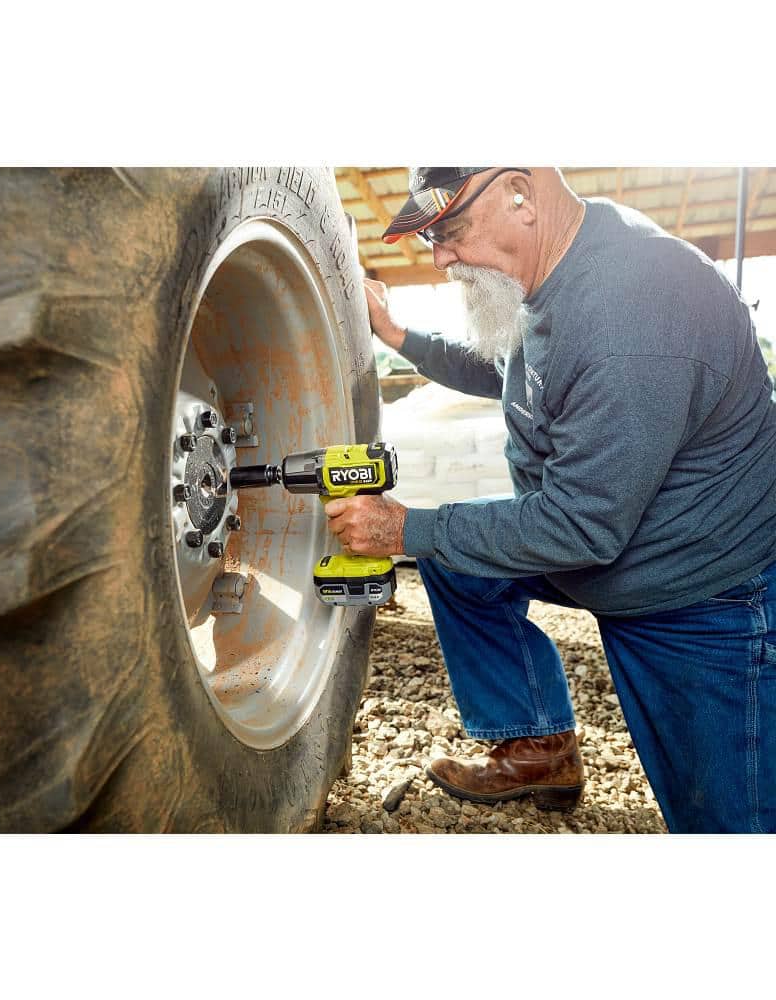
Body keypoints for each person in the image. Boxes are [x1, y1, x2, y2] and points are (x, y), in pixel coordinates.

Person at [325, 166, 776, 833]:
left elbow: (580, 527)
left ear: (520, 193)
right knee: (458, 561)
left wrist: (402, 530)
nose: (441, 258)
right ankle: (539, 748)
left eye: (450, 230)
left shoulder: (632, 311)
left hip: (696, 597)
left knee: (730, 823)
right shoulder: (557, 266)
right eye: (430, 239)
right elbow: (508, 364)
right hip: (608, 547)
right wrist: (397, 335)